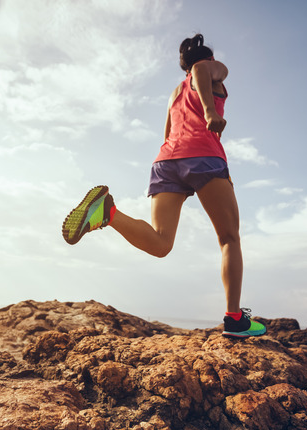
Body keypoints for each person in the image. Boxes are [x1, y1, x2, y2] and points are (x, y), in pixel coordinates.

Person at [61, 34, 266, 339]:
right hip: (203, 156)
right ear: (208, 60)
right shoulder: (210, 67)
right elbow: (200, 68)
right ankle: (235, 319)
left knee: (161, 243)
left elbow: (168, 131)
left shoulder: (174, 93)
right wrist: (210, 111)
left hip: (166, 160)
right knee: (228, 239)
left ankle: (108, 212)